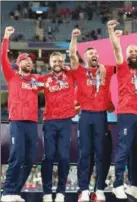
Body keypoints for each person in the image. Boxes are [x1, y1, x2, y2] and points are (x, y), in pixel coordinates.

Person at [107, 20, 137, 200]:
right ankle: (117, 183)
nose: (133, 53)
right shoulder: (123, 67)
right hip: (126, 113)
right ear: (127, 56)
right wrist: (111, 32)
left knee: (136, 151)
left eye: (136, 51)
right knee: (124, 148)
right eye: (130, 51)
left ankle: (134, 185)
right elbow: (117, 50)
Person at [69, 28, 115, 202]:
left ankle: (100, 189)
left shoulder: (107, 70)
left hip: (101, 117)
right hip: (86, 117)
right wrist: (74, 38)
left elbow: (119, 59)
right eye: (90, 53)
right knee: (84, 154)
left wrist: (112, 36)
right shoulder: (80, 72)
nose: (94, 55)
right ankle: (84, 190)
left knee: (101, 154)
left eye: (96, 53)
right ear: (85, 58)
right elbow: (73, 56)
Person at [1, 26, 41, 202]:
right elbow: (3, 58)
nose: (30, 63)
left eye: (31, 61)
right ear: (18, 63)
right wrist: (6, 37)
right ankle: (6, 193)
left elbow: (54, 80)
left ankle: (15, 192)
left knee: (30, 160)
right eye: (26, 60)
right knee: (16, 158)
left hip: (33, 123)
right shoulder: (12, 76)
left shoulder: (36, 80)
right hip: (17, 122)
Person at [39, 52, 75, 202]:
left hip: (66, 121)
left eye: (60, 60)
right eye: (54, 61)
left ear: (63, 61)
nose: (58, 63)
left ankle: (61, 192)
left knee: (64, 157)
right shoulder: (44, 79)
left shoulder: (71, 75)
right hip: (49, 121)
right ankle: (47, 192)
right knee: (48, 157)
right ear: (50, 63)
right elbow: (28, 85)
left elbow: (77, 64)